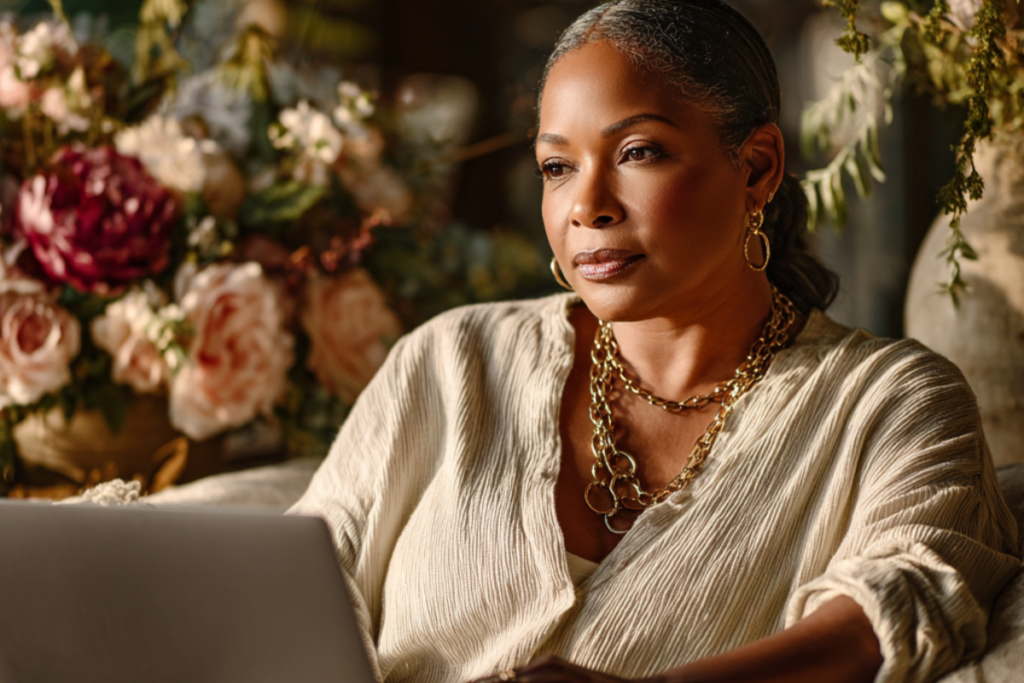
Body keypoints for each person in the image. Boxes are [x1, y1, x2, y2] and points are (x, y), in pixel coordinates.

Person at [289, 1, 1021, 682]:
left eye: (638, 152)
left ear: (757, 167)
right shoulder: (452, 362)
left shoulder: (889, 400)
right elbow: (292, 581)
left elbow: (911, 594)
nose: (587, 206)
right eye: (557, 167)